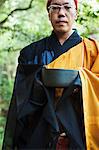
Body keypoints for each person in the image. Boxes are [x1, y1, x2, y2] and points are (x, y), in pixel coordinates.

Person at [2, 0, 99, 149]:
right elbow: (21, 102)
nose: (61, 13)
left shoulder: (92, 52)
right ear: (48, 14)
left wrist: (81, 81)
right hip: (38, 136)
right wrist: (39, 83)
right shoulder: (30, 53)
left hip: (80, 136)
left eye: (67, 7)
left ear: (76, 13)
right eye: (55, 8)